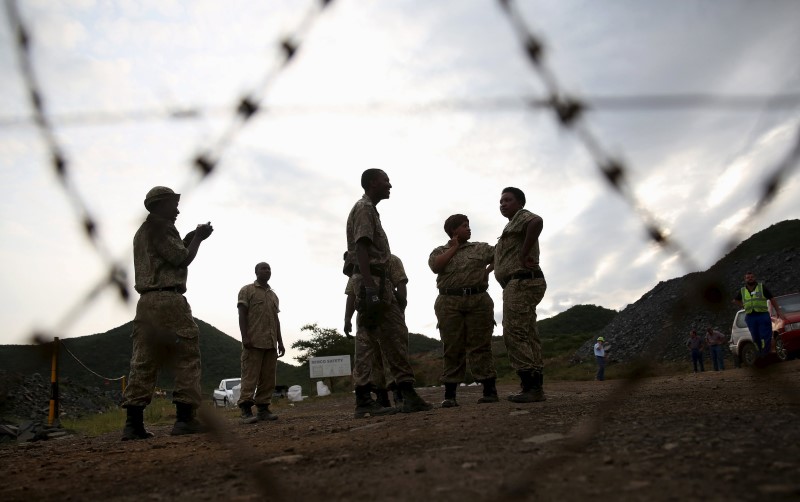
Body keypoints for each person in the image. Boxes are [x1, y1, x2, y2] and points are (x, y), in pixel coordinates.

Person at [121, 186, 214, 440]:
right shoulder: (161, 227)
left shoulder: (143, 232)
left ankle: (133, 424)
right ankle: (185, 419)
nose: (177, 210)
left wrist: (186, 239)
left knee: (143, 359)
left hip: (146, 303)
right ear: (161, 205)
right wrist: (198, 239)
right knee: (186, 352)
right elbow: (182, 259)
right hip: (168, 300)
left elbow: (166, 258)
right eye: (173, 205)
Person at [345, 168, 432, 416]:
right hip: (371, 280)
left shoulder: (371, 210)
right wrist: (370, 287)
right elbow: (361, 248)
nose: (390, 185)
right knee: (367, 338)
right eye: (386, 181)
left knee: (395, 334)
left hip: (382, 283)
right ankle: (363, 399)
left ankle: (407, 394)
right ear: (373, 183)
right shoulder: (363, 208)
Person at [429, 214, 497, 407]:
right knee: (452, 346)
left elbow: (502, 255)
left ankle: (489, 390)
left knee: (481, 345)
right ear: (453, 230)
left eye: (469, 226)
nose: (469, 229)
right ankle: (450, 394)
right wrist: (454, 248)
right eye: (464, 226)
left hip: (478, 301)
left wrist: (487, 270)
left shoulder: (480, 247)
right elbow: (436, 266)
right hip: (449, 302)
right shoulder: (439, 250)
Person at [493, 187, 547, 403]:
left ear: (520, 203)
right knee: (527, 332)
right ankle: (536, 386)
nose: (503, 204)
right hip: (522, 280)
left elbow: (537, 222)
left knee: (514, 332)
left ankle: (530, 386)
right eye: (501, 201)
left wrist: (524, 254)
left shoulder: (522, 217)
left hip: (522, 280)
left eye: (508, 200)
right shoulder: (511, 225)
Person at [344, 252, 408, 410]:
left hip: (387, 309)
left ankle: (398, 394)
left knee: (392, 352)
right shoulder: (359, 264)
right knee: (371, 356)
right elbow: (352, 294)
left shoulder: (392, 259)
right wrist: (347, 319)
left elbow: (401, 284)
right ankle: (381, 397)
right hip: (366, 313)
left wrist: (400, 310)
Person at [236, 262, 285, 424]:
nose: (267, 271)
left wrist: (280, 341)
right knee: (250, 377)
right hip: (253, 342)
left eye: (269, 268)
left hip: (270, 343)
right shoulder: (247, 290)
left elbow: (276, 320)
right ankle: (246, 410)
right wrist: (245, 337)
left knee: (268, 379)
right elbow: (242, 314)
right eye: (263, 268)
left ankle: (263, 409)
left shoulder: (273, 295)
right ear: (256, 272)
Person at [733, 272, 776, 357]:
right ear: (745, 280)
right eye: (748, 277)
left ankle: (765, 354)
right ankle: (760, 352)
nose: (750, 278)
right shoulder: (743, 290)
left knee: (765, 336)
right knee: (755, 337)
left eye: (752, 277)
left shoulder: (761, 287)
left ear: (755, 278)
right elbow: (735, 300)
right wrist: (743, 305)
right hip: (751, 317)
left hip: (762, 315)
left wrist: (778, 312)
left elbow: (772, 298)